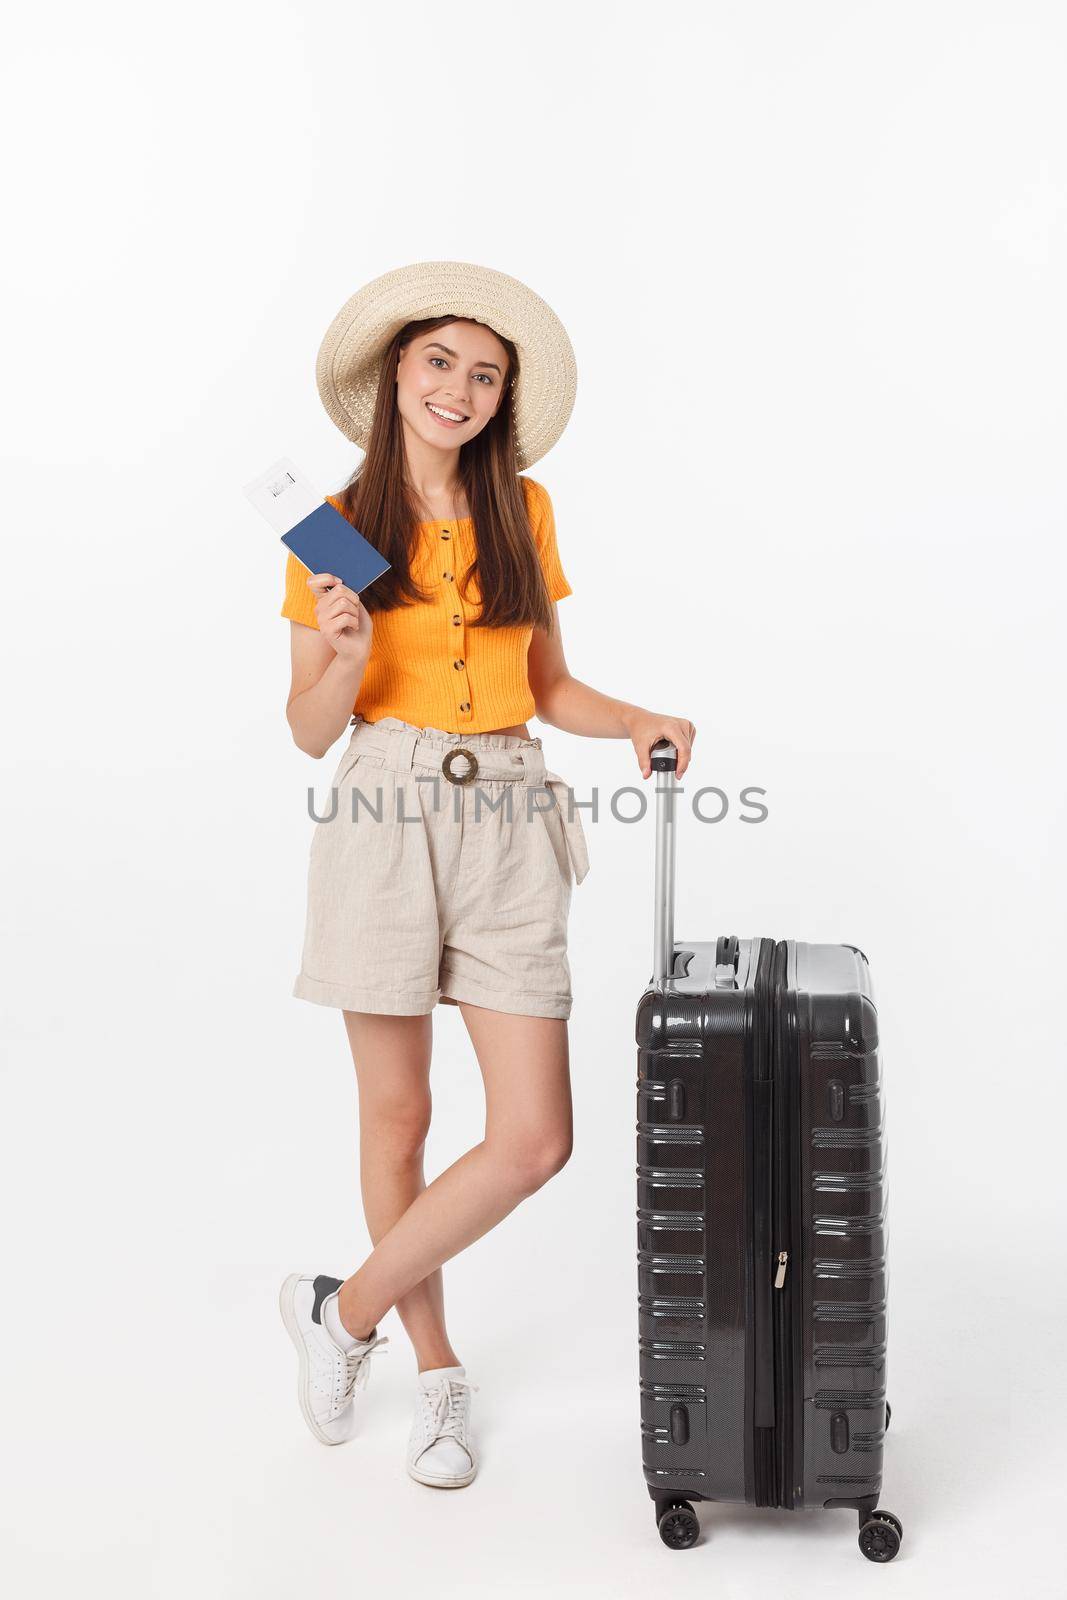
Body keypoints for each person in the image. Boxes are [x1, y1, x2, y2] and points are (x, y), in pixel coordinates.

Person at [276, 260, 696, 1489]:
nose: (458, 387)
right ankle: (436, 1368)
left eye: (483, 372)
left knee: (530, 1137)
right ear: (393, 374)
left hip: (511, 812)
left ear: (501, 397)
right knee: (397, 1118)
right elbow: (308, 730)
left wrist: (631, 719)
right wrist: (345, 650)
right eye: (438, 362)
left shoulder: (525, 507)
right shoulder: (330, 526)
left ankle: (339, 1312)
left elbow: (548, 685)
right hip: (382, 807)